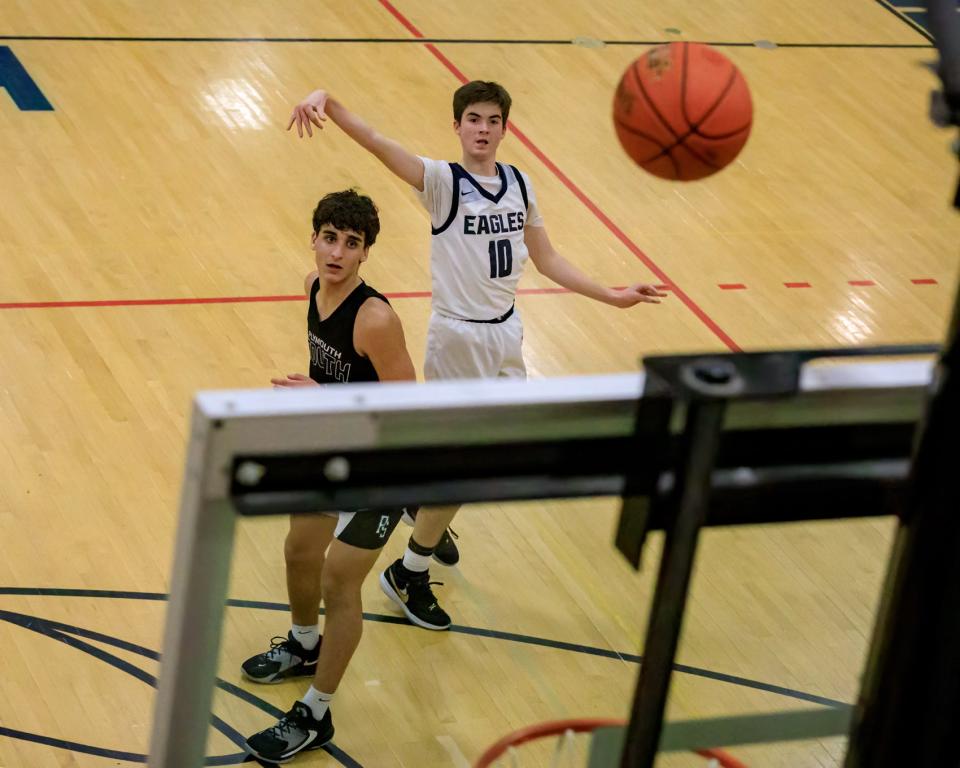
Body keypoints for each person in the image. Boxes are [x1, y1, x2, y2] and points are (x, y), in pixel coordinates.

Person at [287, 80, 666, 633]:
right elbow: (376, 141)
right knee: (468, 468)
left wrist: (611, 294)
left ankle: (421, 511)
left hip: (506, 333)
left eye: (492, 120)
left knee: (495, 456)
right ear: (457, 126)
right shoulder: (443, 183)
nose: (483, 128)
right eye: (473, 119)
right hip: (459, 338)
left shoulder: (519, 183)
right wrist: (330, 100)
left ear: (504, 129)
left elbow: (548, 259)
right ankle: (409, 570)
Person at [242, 189, 425, 764]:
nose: (338, 252)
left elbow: (405, 404)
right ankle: (302, 645)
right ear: (314, 238)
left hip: (380, 464)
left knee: (337, 583)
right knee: (299, 551)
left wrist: (324, 394)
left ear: (366, 253)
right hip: (331, 449)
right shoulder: (311, 288)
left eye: (352, 243)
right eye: (330, 238)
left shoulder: (375, 318)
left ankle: (316, 713)